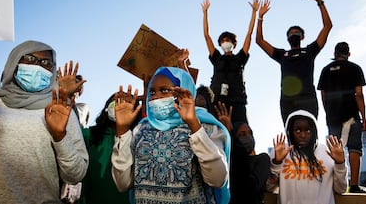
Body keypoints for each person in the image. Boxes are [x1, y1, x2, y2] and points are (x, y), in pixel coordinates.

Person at [0, 40, 89, 203]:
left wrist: (60, 136)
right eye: (30, 59)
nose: (38, 66)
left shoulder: (60, 109)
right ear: (14, 62)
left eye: (46, 63)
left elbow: (75, 174)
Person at [111, 66, 231, 204]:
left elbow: (218, 179)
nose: (156, 96)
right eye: (152, 92)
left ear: (183, 90)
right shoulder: (140, 129)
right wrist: (122, 130)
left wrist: (194, 126)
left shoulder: (206, 127)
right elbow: (122, 184)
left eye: (164, 90)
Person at [256, 0, 333, 124]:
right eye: (291, 33)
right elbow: (259, 41)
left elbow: (327, 27)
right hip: (288, 100)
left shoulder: (310, 51)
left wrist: (320, 2)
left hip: (308, 97)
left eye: (297, 32)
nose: (294, 34)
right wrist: (260, 17)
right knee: (291, 133)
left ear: (302, 37)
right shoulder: (281, 54)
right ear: (287, 38)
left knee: (310, 132)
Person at [317, 42, 366, 193]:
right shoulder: (355, 68)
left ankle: (331, 187)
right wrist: (364, 118)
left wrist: (328, 112)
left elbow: (323, 95)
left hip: (333, 117)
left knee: (333, 151)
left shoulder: (326, 70)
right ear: (349, 54)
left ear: (335, 54)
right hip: (352, 116)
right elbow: (359, 94)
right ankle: (354, 186)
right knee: (354, 149)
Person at [267, 110, 347, 204]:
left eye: (308, 130)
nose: (303, 135)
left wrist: (340, 164)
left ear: (314, 132)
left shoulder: (325, 152)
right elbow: (269, 187)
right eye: (297, 130)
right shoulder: (281, 150)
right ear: (290, 132)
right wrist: (276, 163)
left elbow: (341, 189)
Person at [202, 0, 259, 124]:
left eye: (228, 40)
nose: (225, 42)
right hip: (217, 101)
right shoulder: (217, 58)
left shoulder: (240, 58)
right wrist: (205, 13)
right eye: (222, 40)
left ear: (233, 43)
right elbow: (206, 36)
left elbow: (249, 35)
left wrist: (254, 13)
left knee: (240, 131)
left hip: (237, 102)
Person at [79, 91, 142, 204]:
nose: (120, 105)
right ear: (107, 108)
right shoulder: (88, 136)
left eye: (126, 101)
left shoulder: (140, 140)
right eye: (116, 100)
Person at [214, 101, 270, 204]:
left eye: (250, 133)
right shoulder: (226, 162)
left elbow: (250, 188)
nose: (248, 137)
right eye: (242, 134)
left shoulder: (262, 159)